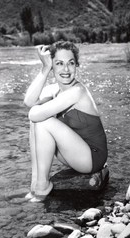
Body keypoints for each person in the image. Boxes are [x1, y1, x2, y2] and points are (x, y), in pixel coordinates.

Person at [24, 41, 108, 201]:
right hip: (74, 153)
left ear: (77, 65)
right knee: (37, 122)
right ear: (53, 66)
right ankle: (36, 183)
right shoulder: (55, 90)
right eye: (59, 64)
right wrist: (45, 69)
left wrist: (37, 110)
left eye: (71, 63)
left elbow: (33, 114)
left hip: (92, 158)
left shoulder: (77, 91)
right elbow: (29, 101)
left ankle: (43, 185)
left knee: (43, 121)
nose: (66, 69)